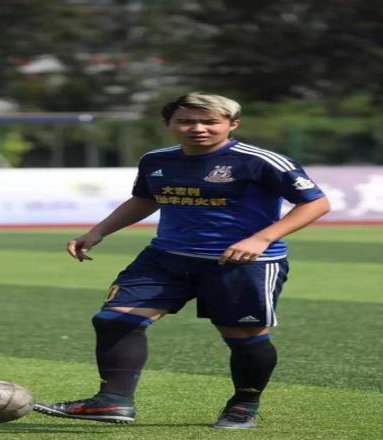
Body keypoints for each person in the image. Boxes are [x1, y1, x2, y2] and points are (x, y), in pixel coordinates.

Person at [34, 92, 330, 429]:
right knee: (115, 319)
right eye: (186, 121)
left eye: (209, 122)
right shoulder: (156, 160)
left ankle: (243, 404)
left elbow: (315, 203)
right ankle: (113, 401)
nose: (198, 128)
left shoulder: (262, 161)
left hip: (241, 264)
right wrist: (98, 231)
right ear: (168, 124)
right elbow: (145, 199)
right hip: (166, 258)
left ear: (232, 124)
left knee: (244, 338)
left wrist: (261, 239)